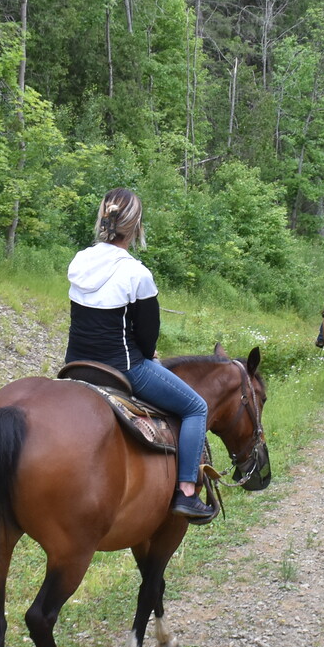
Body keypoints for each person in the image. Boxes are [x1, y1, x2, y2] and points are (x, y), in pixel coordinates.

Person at [66, 188, 216, 521]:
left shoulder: (79, 261)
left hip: (75, 364)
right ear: (136, 226)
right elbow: (147, 340)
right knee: (196, 407)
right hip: (124, 367)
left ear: (103, 219)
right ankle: (187, 492)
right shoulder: (137, 274)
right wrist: (149, 354)